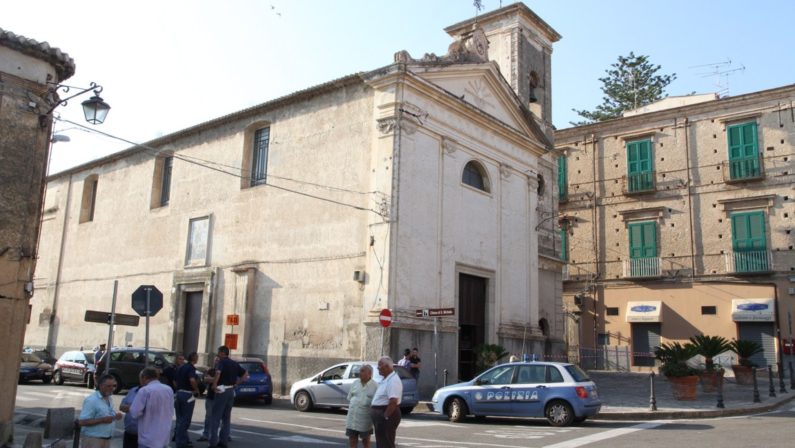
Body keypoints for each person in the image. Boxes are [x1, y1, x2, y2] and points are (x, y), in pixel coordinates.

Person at [208, 346, 247, 448]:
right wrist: (237, 383)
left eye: (218, 352)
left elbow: (218, 373)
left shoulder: (221, 362)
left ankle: (213, 443)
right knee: (226, 417)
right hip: (231, 390)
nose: (217, 354)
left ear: (222, 353)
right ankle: (223, 442)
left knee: (215, 417)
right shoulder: (234, 363)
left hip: (222, 390)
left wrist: (214, 385)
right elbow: (245, 374)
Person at [130, 367, 175, 448]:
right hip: (164, 437)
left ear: (144, 377)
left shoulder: (144, 390)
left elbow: (134, 413)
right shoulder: (168, 389)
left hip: (148, 439)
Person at [78, 374, 123, 448]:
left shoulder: (109, 398)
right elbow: (82, 422)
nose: (112, 388)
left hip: (107, 439)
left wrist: (115, 416)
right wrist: (102, 420)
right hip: (93, 440)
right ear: (101, 386)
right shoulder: (92, 400)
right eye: (109, 386)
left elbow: (106, 415)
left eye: (114, 385)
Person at [370, 357, 402, 448]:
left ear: (387, 366)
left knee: (386, 443)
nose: (377, 368)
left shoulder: (393, 380)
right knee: (382, 443)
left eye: (379, 365)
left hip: (387, 415)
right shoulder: (386, 379)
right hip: (382, 415)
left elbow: (393, 401)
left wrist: (385, 416)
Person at [346, 364, 378, 448]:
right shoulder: (355, 383)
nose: (359, 373)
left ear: (370, 373)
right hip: (352, 418)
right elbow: (350, 398)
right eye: (360, 371)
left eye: (362, 371)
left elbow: (376, 405)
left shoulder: (375, 386)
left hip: (365, 420)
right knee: (352, 440)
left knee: (366, 441)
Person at [174, 352, 201, 448]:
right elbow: (192, 380)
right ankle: (181, 442)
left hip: (179, 393)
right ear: (194, 358)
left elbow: (175, 380)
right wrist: (196, 389)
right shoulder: (191, 368)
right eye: (197, 357)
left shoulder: (181, 367)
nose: (198, 359)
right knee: (185, 419)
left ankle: (182, 440)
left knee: (180, 418)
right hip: (188, 395)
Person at [197, 357, 219, 442]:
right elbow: (206, 379)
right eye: (215, 360)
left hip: (219, 397)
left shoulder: (222, 370)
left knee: (219, 417)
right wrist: (216, 379)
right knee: (208, 417)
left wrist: (212, 379)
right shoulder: (211, 370)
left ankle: (217, 436)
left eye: (218, 360)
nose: (216, 362)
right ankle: (206, 434)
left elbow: (212, 380)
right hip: (210, 396)